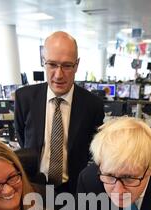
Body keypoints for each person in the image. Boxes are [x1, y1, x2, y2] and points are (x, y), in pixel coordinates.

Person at [14, 31, 105, 193]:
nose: (58, 74)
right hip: (33, 185)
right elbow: (22, 136)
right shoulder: (24, 97)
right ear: (43, 62)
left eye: (67, 65)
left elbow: (93, 150)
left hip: (74, 188)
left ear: (76, 65)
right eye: (52, 64)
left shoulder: (93, 105)